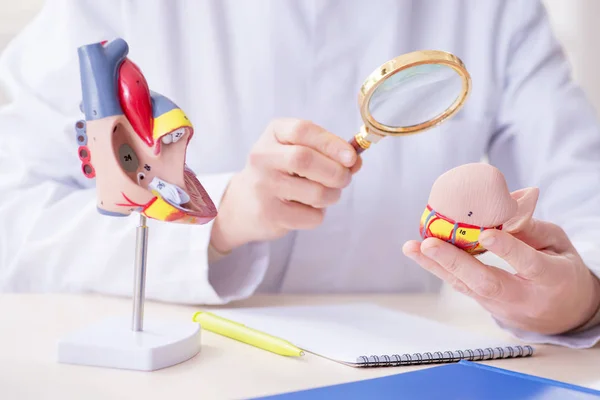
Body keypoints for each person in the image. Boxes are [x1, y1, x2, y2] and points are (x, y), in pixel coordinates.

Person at [0, 0, 599, 349]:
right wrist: (222, 216)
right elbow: (14, 221)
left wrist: (580, 298)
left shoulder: (496, 13)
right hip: (164, 367)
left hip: (398, 366)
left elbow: (583, 193)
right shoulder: (96, 11)